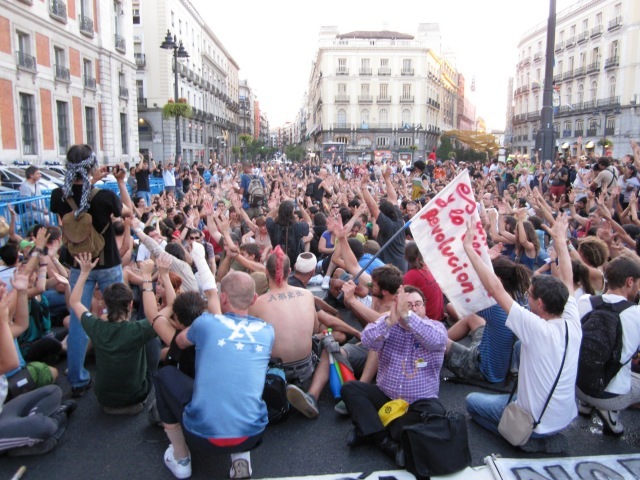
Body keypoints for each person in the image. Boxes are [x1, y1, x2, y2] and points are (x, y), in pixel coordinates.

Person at [464, 214, 582, 453]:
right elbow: (567, 280)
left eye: (529, 295)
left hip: (534, 421)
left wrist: (469, 249)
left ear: (539, 303)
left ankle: (526, 440)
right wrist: (560, 241)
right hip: (564, 417)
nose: (525, 297)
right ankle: (535, 434)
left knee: (471, 402)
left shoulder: (535, 328)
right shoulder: (572, 319)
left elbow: (495, 288)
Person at [153, 271, 274, 479]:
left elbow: (180, 342)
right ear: (254, 299)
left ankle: (181, 459)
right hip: (252, 435)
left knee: (163, 375)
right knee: (244, 380)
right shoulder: (267, 331)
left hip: (202, 436)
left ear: (223, 297)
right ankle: (241, 459)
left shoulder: (206, 323)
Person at [50, 144, 133, 397]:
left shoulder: (57, 196)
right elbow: (129, 211)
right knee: (118, 314)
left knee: (78, 322)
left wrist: (88, 183)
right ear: (91, 166)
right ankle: (120, 369)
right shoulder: (105, 196)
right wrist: (120, 182)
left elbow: (67, 222)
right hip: (108, 263)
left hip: (79, 265)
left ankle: (77, 379)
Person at [341, 285, 447, 465]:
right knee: (351, 389)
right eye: (407, 304)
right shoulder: (388, 323)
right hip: (387, 395)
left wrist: (408, 317)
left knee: (436, 412)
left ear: (424, 307)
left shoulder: (436, 327)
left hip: (418, 402)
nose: (412, 308)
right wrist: (389, 321)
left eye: (417, 304)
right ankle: (386, 442)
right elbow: (366, 339)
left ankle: (368, 431)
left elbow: (437, 341)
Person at [249, 248, 328, 419]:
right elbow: (315, 330)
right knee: (329, 345)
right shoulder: (307, 295)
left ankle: (274, 393)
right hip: (306, 367)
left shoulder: (257, 303)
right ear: (290, 271)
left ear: (265, 272)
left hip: (274, 369)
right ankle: (313, 395)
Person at [576, 255, 640, 436]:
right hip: (611, 397)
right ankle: (610, 412)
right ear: (629, 282)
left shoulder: (584, 301)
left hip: (578, 387)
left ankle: (586, 405)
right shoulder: (636, 313)